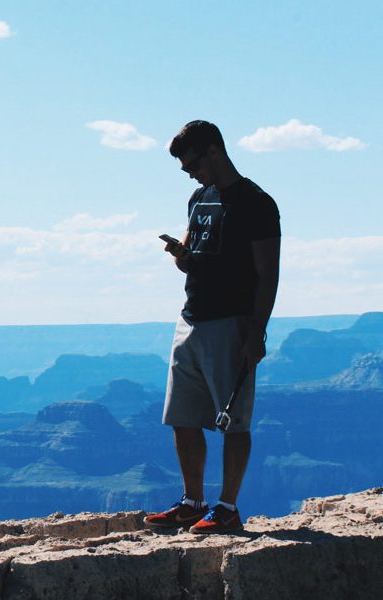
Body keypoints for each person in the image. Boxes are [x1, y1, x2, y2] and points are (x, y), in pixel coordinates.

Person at [143, 120, 281, 534]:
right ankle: (192, 501)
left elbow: (267, 273)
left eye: (192, 163)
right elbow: (194, 254)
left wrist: (256, 332)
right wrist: (183, 256)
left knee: (233, 419)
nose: (188, 171)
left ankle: (227, 507)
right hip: (191, 318)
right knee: (182, 415)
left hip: (231, 322)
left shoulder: (257, 203)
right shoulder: (198, 198)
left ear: (215, 150)